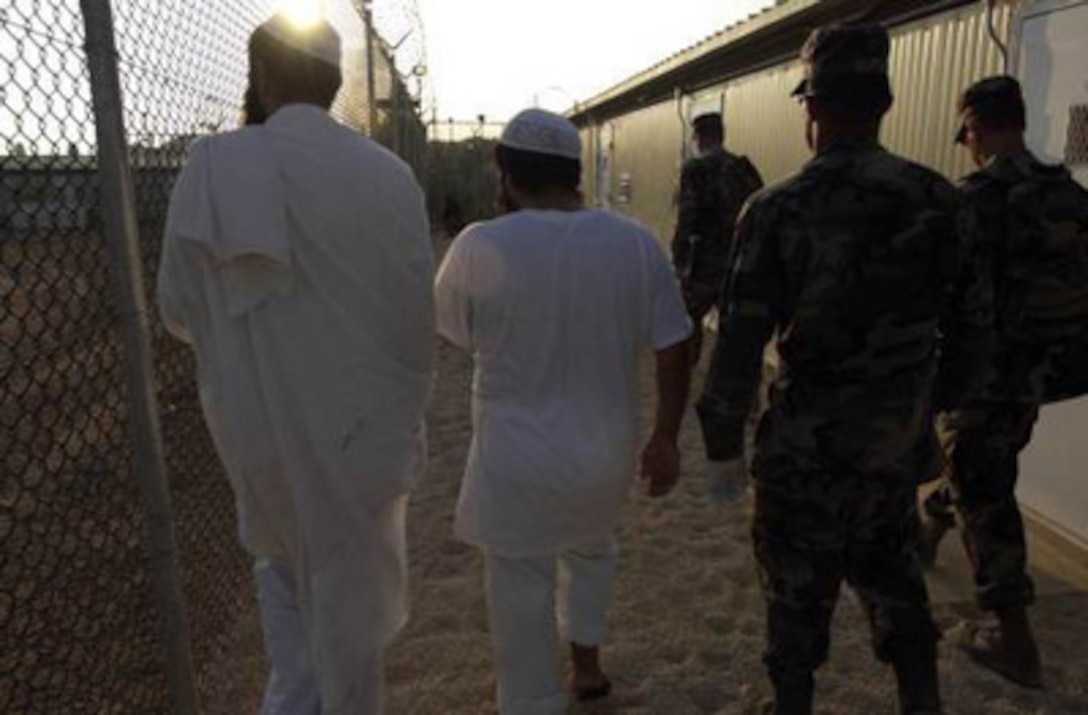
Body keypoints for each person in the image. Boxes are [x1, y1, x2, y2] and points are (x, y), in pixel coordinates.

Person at [696, 24, 994, 715]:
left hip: (804, 451)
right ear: (884, 104)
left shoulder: (775, 209)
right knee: (897, 589)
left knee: (795, 599)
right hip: (892, 451)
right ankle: (921, 702)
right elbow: (976, 332)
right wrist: (922, 406)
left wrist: (720, 448)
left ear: (812, 109)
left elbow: (738, 344)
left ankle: (793, 705)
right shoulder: (941, 201)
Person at [156, 15, 434, 714]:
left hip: (266, 433)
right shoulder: (390, 174)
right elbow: (410, 318)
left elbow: (178, 307)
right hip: (365, 435)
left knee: (292, 616)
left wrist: (260, 342)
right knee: (353, 626)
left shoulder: (217, 167)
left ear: (263, 77)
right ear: (336, 78)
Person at [434, 108, 692, 715]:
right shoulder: (635, 242)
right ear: (573, 172)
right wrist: (666, 438)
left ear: (506, 174)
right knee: (592, 553)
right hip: (604, 458)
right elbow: (674, 343)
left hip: (515, 464)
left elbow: (456, 333)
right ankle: (589, 668)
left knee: (520, 588)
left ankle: (532, 701)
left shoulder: (479, 244)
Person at [918, 75, 1088, 688]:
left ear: (975, 129)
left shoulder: (974, 198)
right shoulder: (1068, 194)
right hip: (1043, 373)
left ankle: (1010, 638)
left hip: (982, 375)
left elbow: (933, 291)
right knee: (980, 466)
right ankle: (930, 529)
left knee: (984, 488)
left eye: (964, 134)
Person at [671, 110, 763, 363]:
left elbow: (687, 221)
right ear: (722, 135)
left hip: (702, 266)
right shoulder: (744, 168)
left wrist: (679, 265)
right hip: (739, 264)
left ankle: (686, 372)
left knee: (689, 323)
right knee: (735, 332)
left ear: (697, 137)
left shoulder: (695, 169)